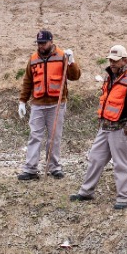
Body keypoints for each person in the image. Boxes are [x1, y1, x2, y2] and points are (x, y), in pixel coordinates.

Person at [69, 44, 127, 210]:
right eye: (110, 59)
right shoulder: (109, 76)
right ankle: (86, 192)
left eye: (115, 60)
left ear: (125, 60)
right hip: (105, 127)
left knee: (122, 164)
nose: (112, 63)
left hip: (121, 128)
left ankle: (124, 198)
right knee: (95, 159)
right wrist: (101, 123)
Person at [17, 29, 81, 180]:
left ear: (51, 41)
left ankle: (54, 167)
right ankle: (30, 169)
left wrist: (71, 62)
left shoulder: (62, 56)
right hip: (37, 104)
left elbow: (75, 76)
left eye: (43, 43)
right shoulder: (33, 59)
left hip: (56, 104)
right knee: (35, 136)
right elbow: (27, 81)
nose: (41, 46)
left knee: (54, 137)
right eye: (39, 43)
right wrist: (22, 101)